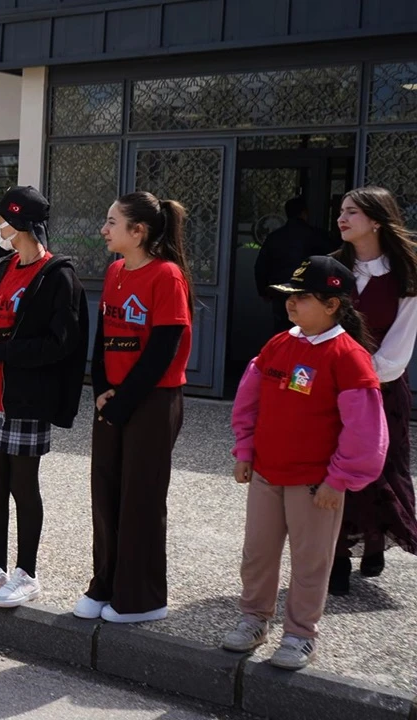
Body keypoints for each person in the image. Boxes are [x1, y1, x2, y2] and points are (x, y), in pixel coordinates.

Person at [225, 255, 386, 670]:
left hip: (315, 484)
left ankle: (300, 634)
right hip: (266, 474)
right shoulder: (278, 344)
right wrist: (245, 451)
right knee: (257, 554)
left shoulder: (347, 356)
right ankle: (254, 619)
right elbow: (248, 403)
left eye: (301, 297)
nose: (291, 304)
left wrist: (340, 479)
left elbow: (365, 430)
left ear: (332, 304)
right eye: (289, 296)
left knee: (311, 562)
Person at [0, 186, 89, 608]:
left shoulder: (59, 276)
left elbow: (61, 344)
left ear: (17, 224)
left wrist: (1, 353)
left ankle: (27, 572)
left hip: (26, 396)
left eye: (0, 220)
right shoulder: (2, 266)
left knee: (23, 485)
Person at [77, 191, 194, 625]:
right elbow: (104, 339)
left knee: (140, 498)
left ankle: (142, 598)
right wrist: (102, 391)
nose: (104, 230)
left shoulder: (167, 276)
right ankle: (104, 583)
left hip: (151, 399)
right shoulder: (114, 271)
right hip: (115, 400)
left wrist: (124, 401)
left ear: (138, 231)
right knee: (105, 491)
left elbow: (163, 348)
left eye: (112, 222)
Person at [329, 186, 417, 594]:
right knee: (333, 466)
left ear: (377, 220)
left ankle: (375, 540)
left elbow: (400, 343)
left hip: (382, 386)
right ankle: (337, 557)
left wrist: (363, 377)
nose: (342, 218)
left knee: (380, 468)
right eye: (341, 211)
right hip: (333, 386)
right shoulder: (330, 268)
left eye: (353, 212)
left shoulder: (406, 274)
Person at [255, 197, 339, 334]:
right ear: (304, 213)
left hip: (280, 291)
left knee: (282, 332)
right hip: (309, 293)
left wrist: (263, 291)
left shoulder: (275, 237)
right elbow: (333, 262)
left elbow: (260, 267)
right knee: (309, 331)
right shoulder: (317, 236)